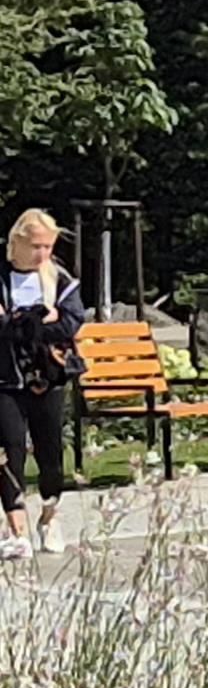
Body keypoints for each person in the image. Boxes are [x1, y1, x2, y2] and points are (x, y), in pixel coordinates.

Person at [0, 210, 85, 557]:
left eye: (48, 246)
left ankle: (49, 516)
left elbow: (71, 322)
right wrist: (28, 321)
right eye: (35, 246)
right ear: (16, 242)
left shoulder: (59, 279)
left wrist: (29, 326)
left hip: (47, 377)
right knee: (9, 450)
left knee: (50, 454)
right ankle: (16, 530)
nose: (42, 254)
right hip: (5, 378)